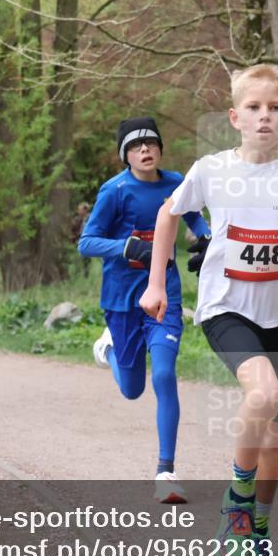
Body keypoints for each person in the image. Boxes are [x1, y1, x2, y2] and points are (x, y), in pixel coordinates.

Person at [139, 64, 278, 556]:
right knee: (266, 394)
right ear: (235, 117)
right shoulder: (212, 170)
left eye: (275, 108)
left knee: (275, 429)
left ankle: (258, 529)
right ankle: (236, 504)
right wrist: (156, 284)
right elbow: (168, 214)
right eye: (254, 108)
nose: (264, 117)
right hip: (226, 307)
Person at [78, 116, 211, 503]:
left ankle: (165, 471)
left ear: (160, 149)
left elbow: (193, 216)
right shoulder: (114, 191)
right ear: (126, 155)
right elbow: (86, 242)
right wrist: (124, 247)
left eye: (151, 143)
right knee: (132, 389)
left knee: (165, 375)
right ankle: (108, 348)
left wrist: (206, 238)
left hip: (165, 296)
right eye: (135, 146)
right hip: (122, 300)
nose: (145, 150)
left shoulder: (175, 184)